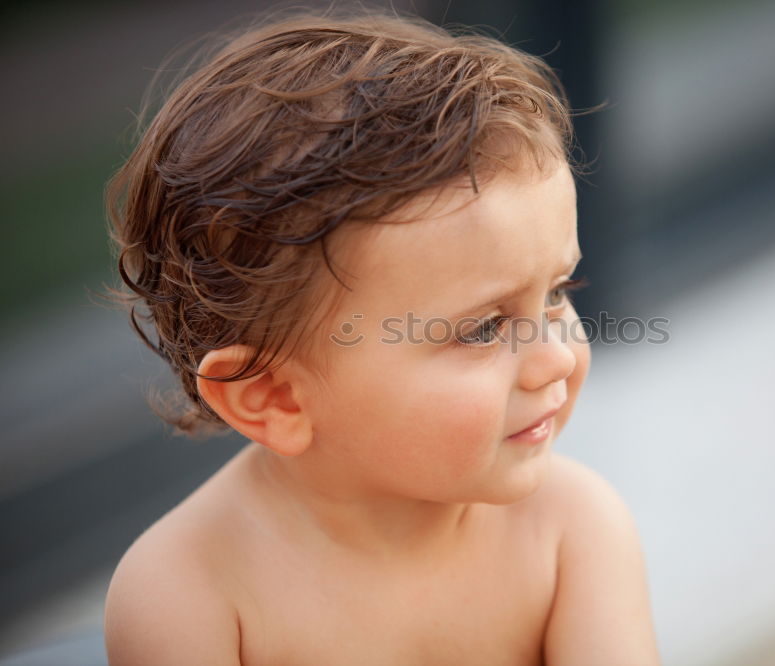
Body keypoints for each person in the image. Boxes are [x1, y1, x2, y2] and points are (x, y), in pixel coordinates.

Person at [103, 11, 659, 665]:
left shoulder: (572, 531)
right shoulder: (188, 596)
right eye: (483, 327)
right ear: (277, 397)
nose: (556, 358)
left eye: (558, 292)